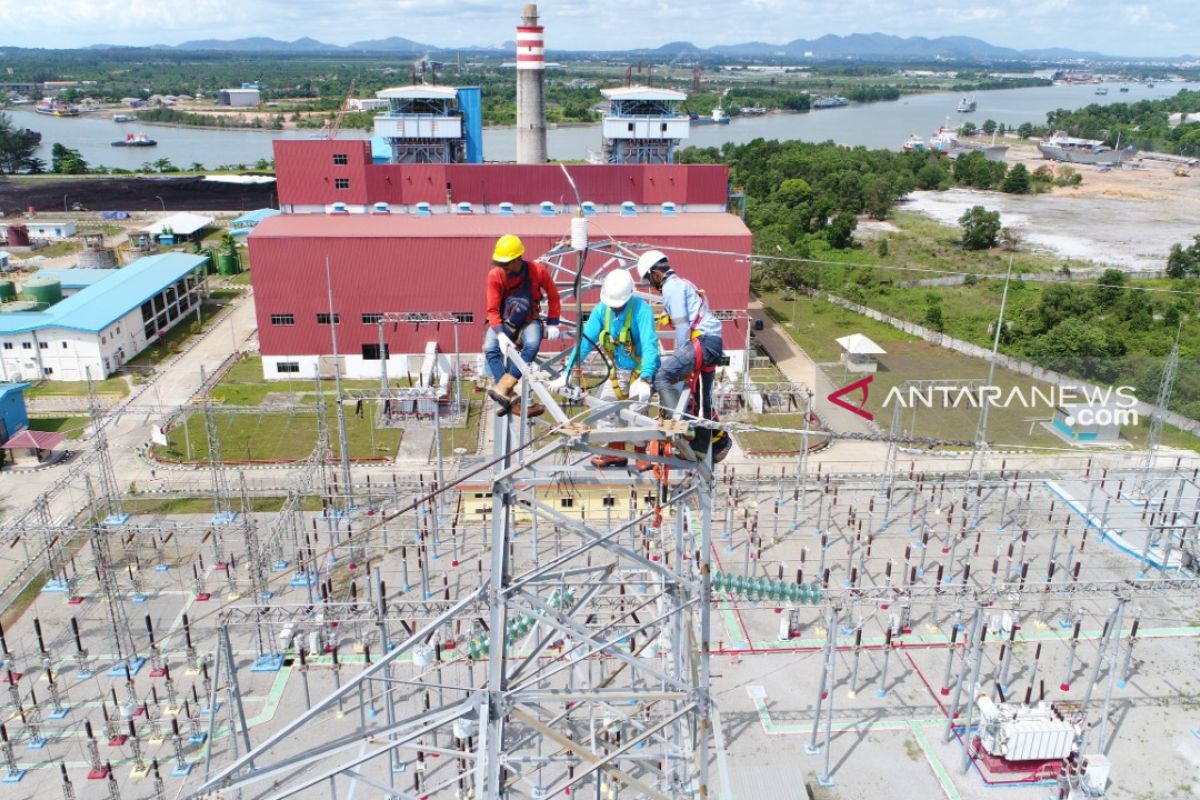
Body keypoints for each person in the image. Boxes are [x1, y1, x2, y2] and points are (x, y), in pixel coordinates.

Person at [554, 269, 659, 470]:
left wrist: (646, 378)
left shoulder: (641, 311)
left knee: (637, 411)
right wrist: (568, 371)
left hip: (639, 371)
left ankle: (640, 452)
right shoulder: (602, 310)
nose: (615, 309)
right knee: (602, 407)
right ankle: (614, 451)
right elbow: (585, 342)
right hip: (618, 371)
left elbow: (649, 346)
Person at [636, 249, 731, 463]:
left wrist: (680, 354)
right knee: (701, 399)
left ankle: (681, 428)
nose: (652, 286)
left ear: (655, 274)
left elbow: (682, 325)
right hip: (713, 342)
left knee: (662, 376)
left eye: (650, 280)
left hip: (702, 342)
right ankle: (705, 447)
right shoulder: (685, 283)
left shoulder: (671, 287)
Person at [484, 234, 562, 418]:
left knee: (532, 344)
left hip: (529, 318)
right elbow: (492, 309)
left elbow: (553, 295)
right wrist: (500, 334)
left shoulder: (537, 271)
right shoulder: (496, 275)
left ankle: (503, 387)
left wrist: (553, 322)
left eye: (507, 263)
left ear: (518, 258)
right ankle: (510, 397)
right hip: (504, 320)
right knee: (490, 348)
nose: (503, 267)